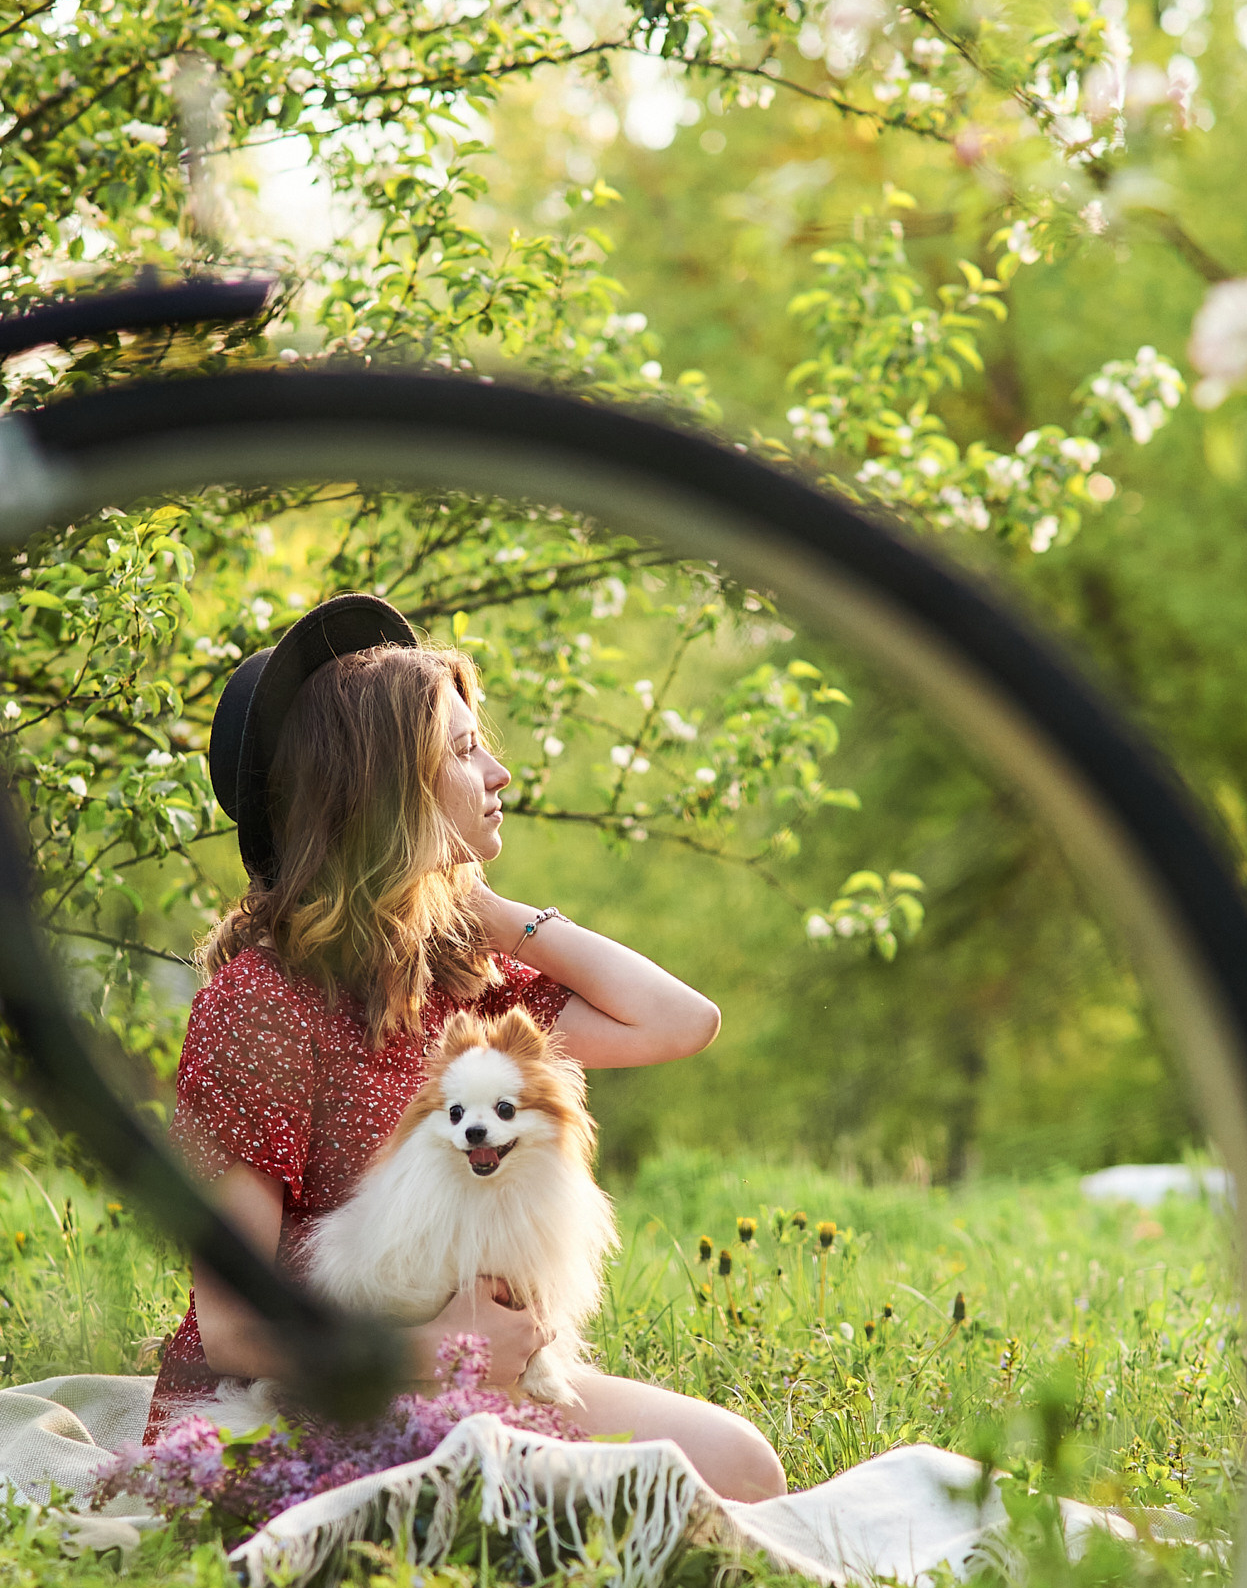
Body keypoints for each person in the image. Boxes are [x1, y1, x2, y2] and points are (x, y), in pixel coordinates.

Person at [149, 591, 788, 1503]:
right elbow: (231, 1329)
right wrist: (443, 1350)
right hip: (315, 1394)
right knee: (717, 1474)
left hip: (485, 1378)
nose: (499, 774)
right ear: (384, 795)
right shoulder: (259, 1007)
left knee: (740, 1463)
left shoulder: (464, 988)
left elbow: (678, 1021)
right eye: (461, 751)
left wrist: (478, 904)